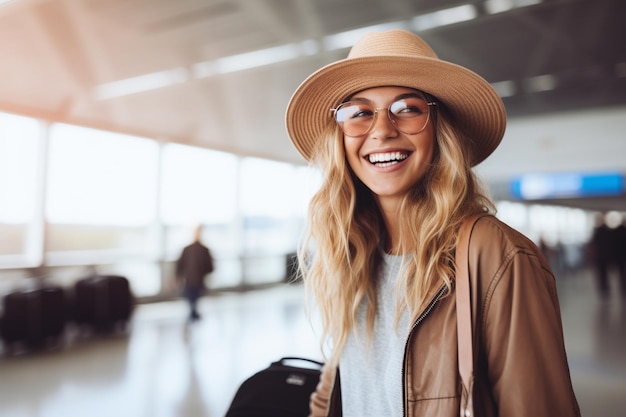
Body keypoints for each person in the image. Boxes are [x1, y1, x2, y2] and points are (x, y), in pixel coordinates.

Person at [285, 29, 580, 417]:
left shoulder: (497, 256)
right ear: (339, 139)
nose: (382, 130)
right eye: (358, 113)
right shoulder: (351, 252)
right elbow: (336, 391)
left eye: (407, 108)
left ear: (440, 128)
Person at [175, 225, 214, 321]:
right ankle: (193, 313)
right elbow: (180, 265)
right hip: (190, 280)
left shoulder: (204, 250)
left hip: (198, 280)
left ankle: (193, 313)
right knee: (191, 297)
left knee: (194, 298)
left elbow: (210, 266)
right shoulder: (188, 249)